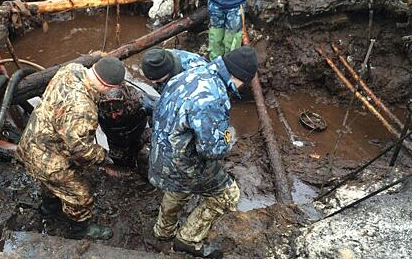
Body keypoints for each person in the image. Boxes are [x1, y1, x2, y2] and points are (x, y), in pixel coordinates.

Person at [148, 46, 259, 258]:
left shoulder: (194, 71)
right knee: (228, 196)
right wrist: (228, 136)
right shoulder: (212, 98)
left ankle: (163, 231)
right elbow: (211, 150)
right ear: (240, 77)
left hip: (159, 156)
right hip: (181, 164)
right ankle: (187, 240)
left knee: (177, 189)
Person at [15, 57, 126, 240]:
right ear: (107, 86)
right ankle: (81, 229)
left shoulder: (71, 69)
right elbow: (80, 150)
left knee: (51, 183)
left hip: (32, 142)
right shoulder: (83, 109)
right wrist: (102, 156)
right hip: (48, 161)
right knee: (81, 195)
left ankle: (49, 208)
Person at [141, 47, 208, 92]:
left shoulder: (192, 74)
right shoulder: (161, 56)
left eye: (157, 80)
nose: (153, 82)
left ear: (168, 72)